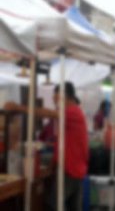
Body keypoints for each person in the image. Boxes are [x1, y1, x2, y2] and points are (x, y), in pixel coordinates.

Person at [4, 82, 88, 211]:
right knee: (70, 206)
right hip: (75, 168)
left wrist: (18, 107)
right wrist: (53, 163)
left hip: (71, 170)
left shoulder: (72, 112)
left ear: (65, 97)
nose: (55, 104)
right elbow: (64, 143)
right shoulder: (73, 113)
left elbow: (47, 113)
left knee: (53, 204)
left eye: (56, 100)